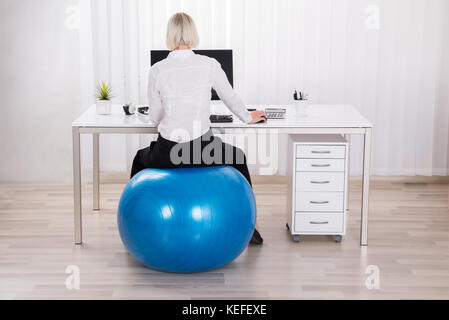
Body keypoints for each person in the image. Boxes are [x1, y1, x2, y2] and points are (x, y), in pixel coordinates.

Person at [131, 12, 266, 245]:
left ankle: (134, 221)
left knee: (139, 159)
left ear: (169, 36)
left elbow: (154, 118)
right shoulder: (209, 64)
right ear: (193, 34)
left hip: (168, 154)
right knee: (239, 157)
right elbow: (230, 97)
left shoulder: (157, 70)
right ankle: (252, 226)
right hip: (202, 151)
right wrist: (247, 116)